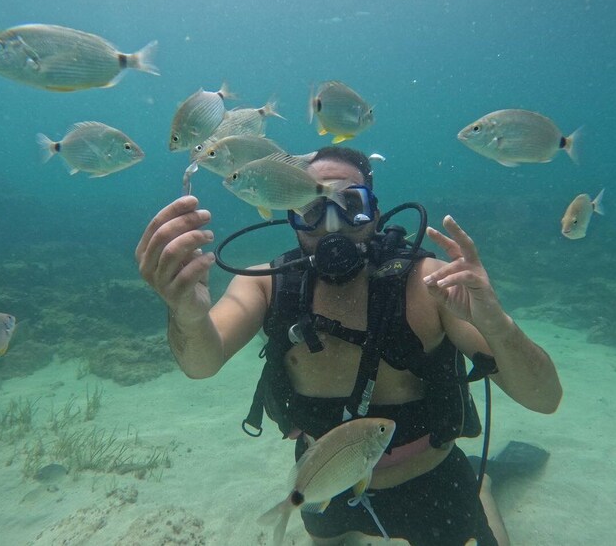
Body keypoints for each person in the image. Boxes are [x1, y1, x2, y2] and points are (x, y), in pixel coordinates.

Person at [136, 147, 563, 546]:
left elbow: (544, 399)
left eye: (351, 204)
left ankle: (480, 483)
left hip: (429, 479)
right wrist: (186, 315)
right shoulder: (266, 285)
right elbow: (200, 364)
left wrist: (499, 325)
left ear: (374, 213)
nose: (332, 223)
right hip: (325, 481)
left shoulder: (432, 284)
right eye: (311, 207)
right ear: (290, 215)